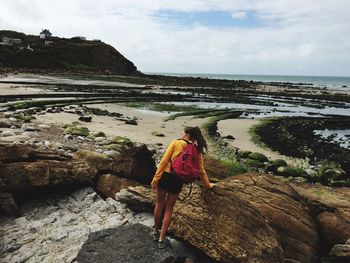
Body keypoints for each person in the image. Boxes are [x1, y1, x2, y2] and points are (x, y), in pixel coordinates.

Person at [151, 126, 215, 249]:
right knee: (169, 209)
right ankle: (161, 239)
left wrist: (155, 179)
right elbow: (201, 171)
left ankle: (155, 232)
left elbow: (164, 161)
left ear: (186, 134)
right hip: (178, 180)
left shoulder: (176, 142)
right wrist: (208, 185)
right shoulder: (197, 150)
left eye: (183, 131)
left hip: (165, 176)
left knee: (159, 204)